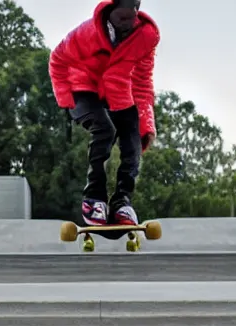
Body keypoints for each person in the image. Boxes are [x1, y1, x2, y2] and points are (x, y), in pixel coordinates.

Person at [49, 0, 160, 226]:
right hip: (81, 89)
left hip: (116, 92)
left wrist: (147, 124)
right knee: (104, 130)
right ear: (111, 12)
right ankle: (94, 198)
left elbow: (142, 81)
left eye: (132, 17)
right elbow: (57, 59)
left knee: (133, 137)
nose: (127, 23)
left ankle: (122, 201)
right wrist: (65, 98)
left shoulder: (145, 36)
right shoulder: (86, 32)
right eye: (121, 18)